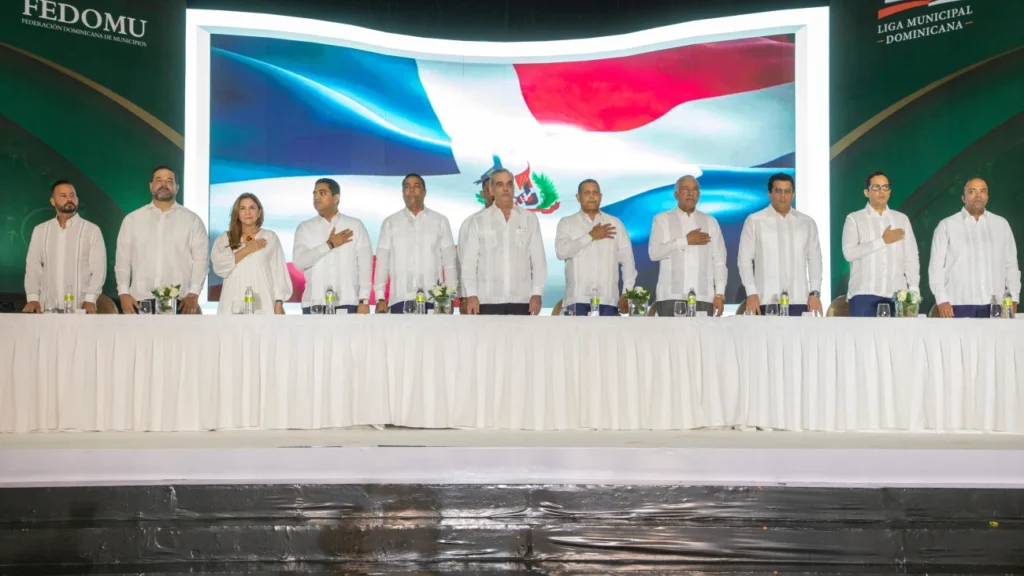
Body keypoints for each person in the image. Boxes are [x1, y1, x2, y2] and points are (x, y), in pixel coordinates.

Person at [115, 166, 208, 314]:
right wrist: (123, 292)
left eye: (169, 181)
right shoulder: (132, 219)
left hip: (180, 302)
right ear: (150, 185)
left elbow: (201, 261)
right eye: (159, 180)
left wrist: (194, 293)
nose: (164, 184)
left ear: (177, 187)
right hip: (140, 300)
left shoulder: (192, 220)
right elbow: (123, 260)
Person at [929, 177, 1019, 318]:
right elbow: (936, 266)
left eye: (982, 191)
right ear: (963, 198)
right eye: (972, 191)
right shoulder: (947, 225)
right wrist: (941, 300)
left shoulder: (1001, 224)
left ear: (987, 197)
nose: (978, 195)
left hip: (995, 305)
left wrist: (1013, 297)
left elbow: (1011, 264)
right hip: (957, 304)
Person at [461, 168, 546, 315]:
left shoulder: (529, 218)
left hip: (522, 300)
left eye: (509, 184)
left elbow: (538, 260)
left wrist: (537, 293)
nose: (505, 189)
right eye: (500, 184)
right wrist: (471, 294)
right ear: (491, 190)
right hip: (487, 300)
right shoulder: (478, 221)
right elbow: (469, 263)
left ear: (514, 188)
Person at [737, 173, 823, 316]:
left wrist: (815, 292)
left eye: (787, 191)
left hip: (799, 300)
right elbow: (744, 260)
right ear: (769, 194)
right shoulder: (755, 221)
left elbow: (815, 259)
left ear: (793, 195)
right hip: (765, 300)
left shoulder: (807, 223)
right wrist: (751, 293)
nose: (783, 196)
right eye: (778, 191)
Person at [374, 174, 458, 314]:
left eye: (416, 186)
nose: (411, 190)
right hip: (400, 299)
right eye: (407, 187)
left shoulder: (440, 221)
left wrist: (449, 297)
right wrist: (380, 298)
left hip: (433, 300)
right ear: (402, 193)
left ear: (425, 192)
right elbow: (382, 263)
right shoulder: (390, 223)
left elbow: (449, 263)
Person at [842, 172, 920, 317]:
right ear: (866, 192)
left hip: (898, 295)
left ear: (889, 191)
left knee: (898, 333)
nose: (881, 191)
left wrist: (914, 288)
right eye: (876, 187)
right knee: (864, 333)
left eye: (885, 187)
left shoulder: (901, 219)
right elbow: (849, 254)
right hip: (864, 293)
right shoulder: (854, 219)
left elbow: (911, 256)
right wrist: (882, 241)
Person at [23, 180, 106, 313]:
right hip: (47, 308)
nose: (69, 199)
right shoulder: (40, 230)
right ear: (53, 201)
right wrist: (33, 298)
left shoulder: (91, 230)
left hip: (80, 307)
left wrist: (90, 299)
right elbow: (33, 267)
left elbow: (98, 269)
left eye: (72, 195)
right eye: (63, 196)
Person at [649, 175, 727, 317]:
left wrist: (720, 294)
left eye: (695, 190)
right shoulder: (662, 219)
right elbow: (654, 253)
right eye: (685, 189)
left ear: (699, 194)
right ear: (676, 194)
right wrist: (685, 240)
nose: (691, 193)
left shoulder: (710, 222)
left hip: (703, 297)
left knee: (702, 333)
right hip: (670, 297)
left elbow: (719, 261)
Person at [292, 178, 372, 314]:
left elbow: (365, 266)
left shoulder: (355, 225)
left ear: (336, 198)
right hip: (314, 303)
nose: (316, 197)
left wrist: (364, 300)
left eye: (322, 193)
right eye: (314, 193)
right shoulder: (305, 228)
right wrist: (329, 244)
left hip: (348, 302)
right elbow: (299, 262)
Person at [554, 179, 634, 315]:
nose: (591, 196)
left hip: (608, 300)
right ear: (578, 197)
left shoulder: (615, 223)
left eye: (595, 192)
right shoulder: (567, 223)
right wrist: (590, 236)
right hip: (577, 300)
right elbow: (561, 252)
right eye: (587, 192)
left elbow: (628, 261)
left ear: (601, 196)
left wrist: (626, 292)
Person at [210, 193, 292, 315]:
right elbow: (220, 268)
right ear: (237, 213)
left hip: (263, 302)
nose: (247, 212)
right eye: (243, 208)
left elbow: (279, 272)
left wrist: (279, 303)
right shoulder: (225, 239)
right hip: (232, 302)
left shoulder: (270, 237)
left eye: (252, 208)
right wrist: (247, 249)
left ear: (259, 212)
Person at [458, 169, 495, 313]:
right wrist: (464, 297)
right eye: (489, 189)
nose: (494, 193)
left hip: (514, 299)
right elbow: (464, 262)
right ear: (482, 194)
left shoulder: (521, 220)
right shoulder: (470, 223)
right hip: (479, 299)